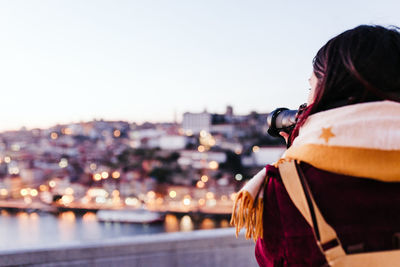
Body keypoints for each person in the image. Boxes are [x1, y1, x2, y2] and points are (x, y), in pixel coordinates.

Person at [231, 25, 400, 266]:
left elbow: (273, 259)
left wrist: (296, 154)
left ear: (331, 90)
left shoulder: (289, 184)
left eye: (311, 88)